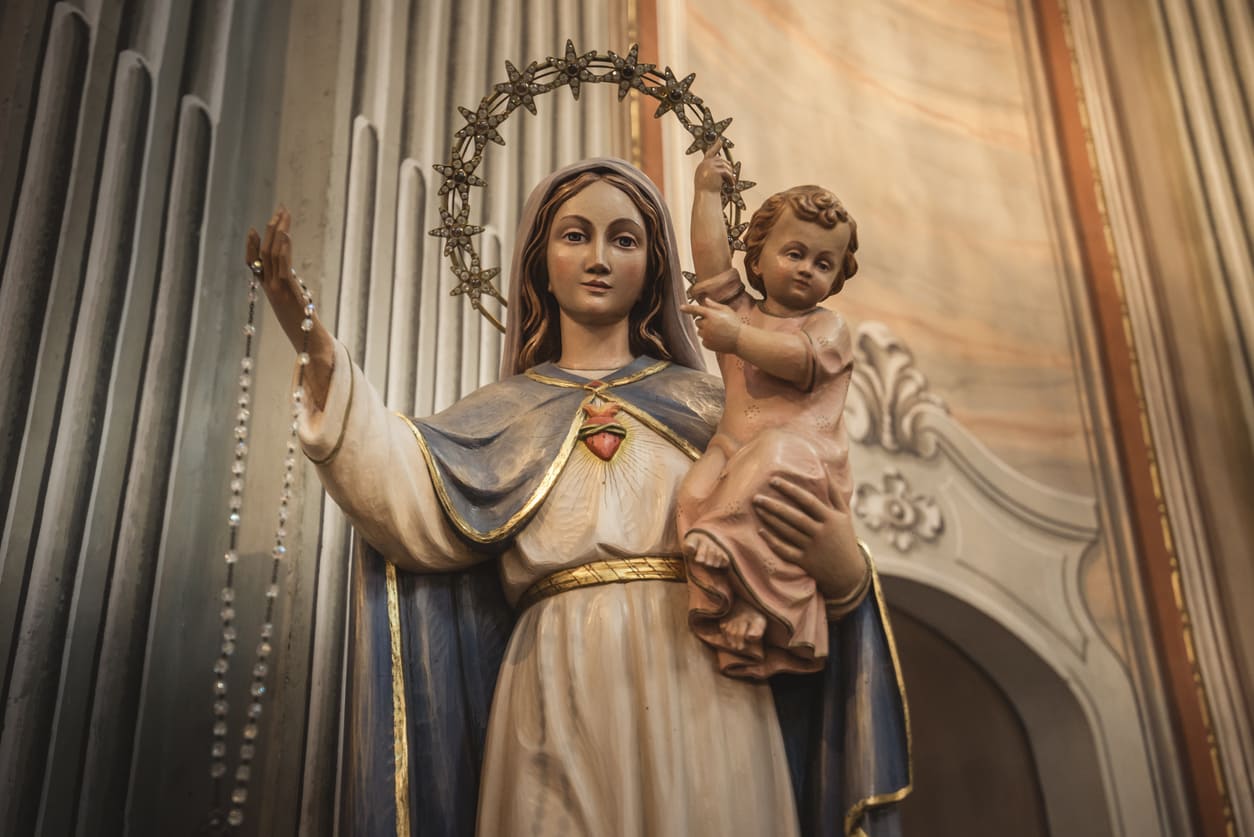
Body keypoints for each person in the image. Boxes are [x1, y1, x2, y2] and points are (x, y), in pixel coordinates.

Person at [246, 157, 909, 837]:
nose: (599, 257)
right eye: (574, 235)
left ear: (654, 264)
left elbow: (803, 515)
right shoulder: (498, 416)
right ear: (540, 259)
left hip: (707, 682)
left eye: (624, 239)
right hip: (553, 678)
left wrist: (846, 574)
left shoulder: (719, 406)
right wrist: (315, 349)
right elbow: (400, 491)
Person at [677, 146, 868, 680]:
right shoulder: (739, 312)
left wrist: (737, 336)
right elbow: (712, 265)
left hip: (799, 461)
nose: (808, 269)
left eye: (823, 263)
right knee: (693, 493)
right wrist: (706, 193)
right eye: (795, 254)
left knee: (766, 468)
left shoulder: (827, 328)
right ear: (757, 259)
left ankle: (767, 606)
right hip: (733, 450)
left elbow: (801, 363)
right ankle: (736, 606)